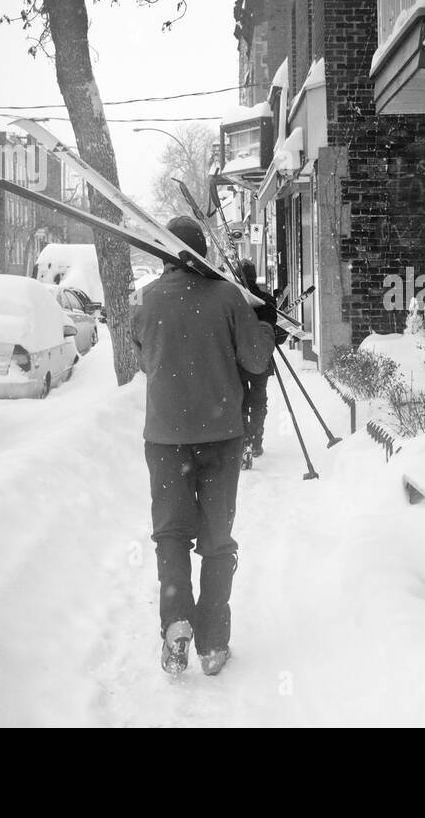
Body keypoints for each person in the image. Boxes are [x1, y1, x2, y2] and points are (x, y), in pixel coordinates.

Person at [131, 217, 275, 676]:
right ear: (203, 255)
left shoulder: (148, 301)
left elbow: (144, 357)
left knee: (171, 535)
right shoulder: (228, 298)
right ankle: (213, 643)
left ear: (167, 257)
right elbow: (255, 358)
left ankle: (176, 624)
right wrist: (266, 325)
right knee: (216, 540)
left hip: (166, 440)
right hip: (220, 439)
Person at [238, 259, 287, 458]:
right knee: (258, 401)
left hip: (238, 359)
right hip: (261, 358)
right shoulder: (267, 300)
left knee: (240, 401)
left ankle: (245, 441)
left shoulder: (234, 298)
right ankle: (257, 441)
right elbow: (273, 327)